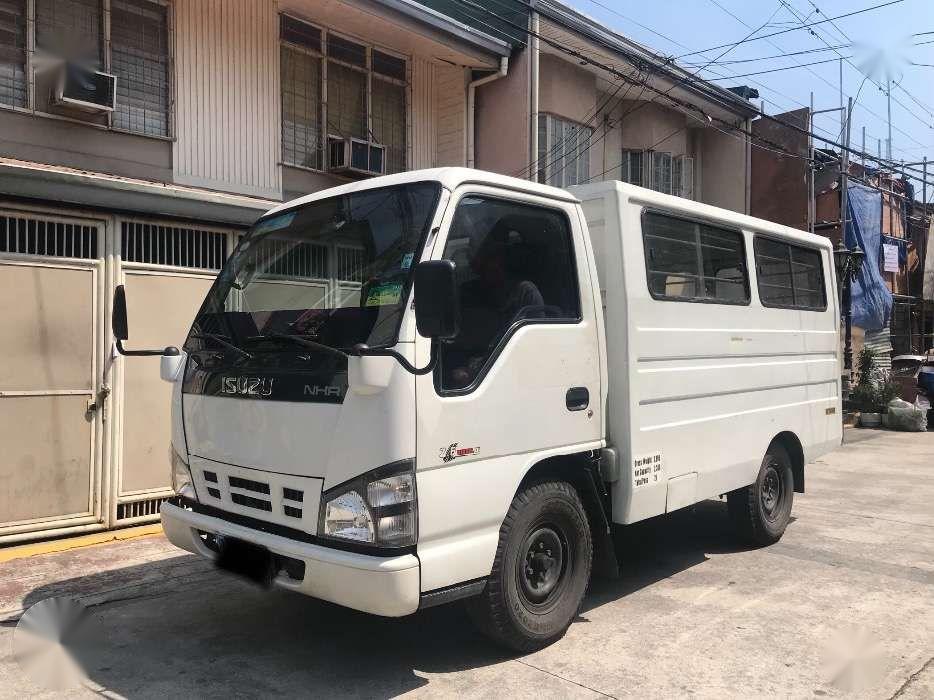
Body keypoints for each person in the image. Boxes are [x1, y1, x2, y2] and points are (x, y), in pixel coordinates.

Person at [446, 220, 544, 389]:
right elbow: (452, 341)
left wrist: (475, 368)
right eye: (481, 256)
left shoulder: (525, 293)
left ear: (504, 258)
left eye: (492, 256)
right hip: (465, 380)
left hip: (511, 379)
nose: (486, 263)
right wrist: (458, 368)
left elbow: (536, 347)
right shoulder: (467, 292)